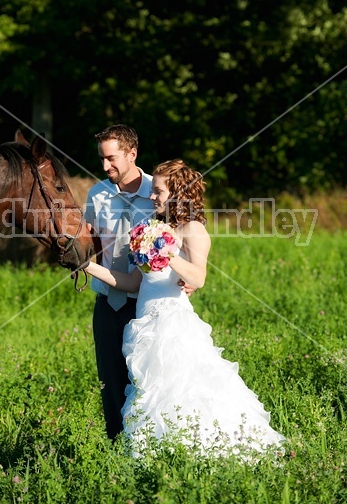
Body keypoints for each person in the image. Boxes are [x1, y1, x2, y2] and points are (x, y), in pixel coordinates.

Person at [85, 158, 285, 458]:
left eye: (159, 192)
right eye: (153, 191)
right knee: (150, 394)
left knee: (182, 390)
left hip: (174, 324)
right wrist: (86, 266)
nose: (152, 196)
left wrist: (166, 252)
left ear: (177, 194)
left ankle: (201, 451)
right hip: (145, 326)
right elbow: (131, 283)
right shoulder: (153, 229)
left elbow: (198, 277)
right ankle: (160, 453)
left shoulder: (193, 229)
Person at [84, 125, 194, 440]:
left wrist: (192, 277)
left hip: (145, 305)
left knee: (146, 383)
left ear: (132, 154)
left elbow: (185, 237)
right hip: (107, 301)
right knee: (110, 382)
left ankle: (149, 446)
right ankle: (116, 451)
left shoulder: (160, 191)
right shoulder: (96, 194)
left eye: (112, 158)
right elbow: (90, 241)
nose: (106, 167)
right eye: (102, 160)